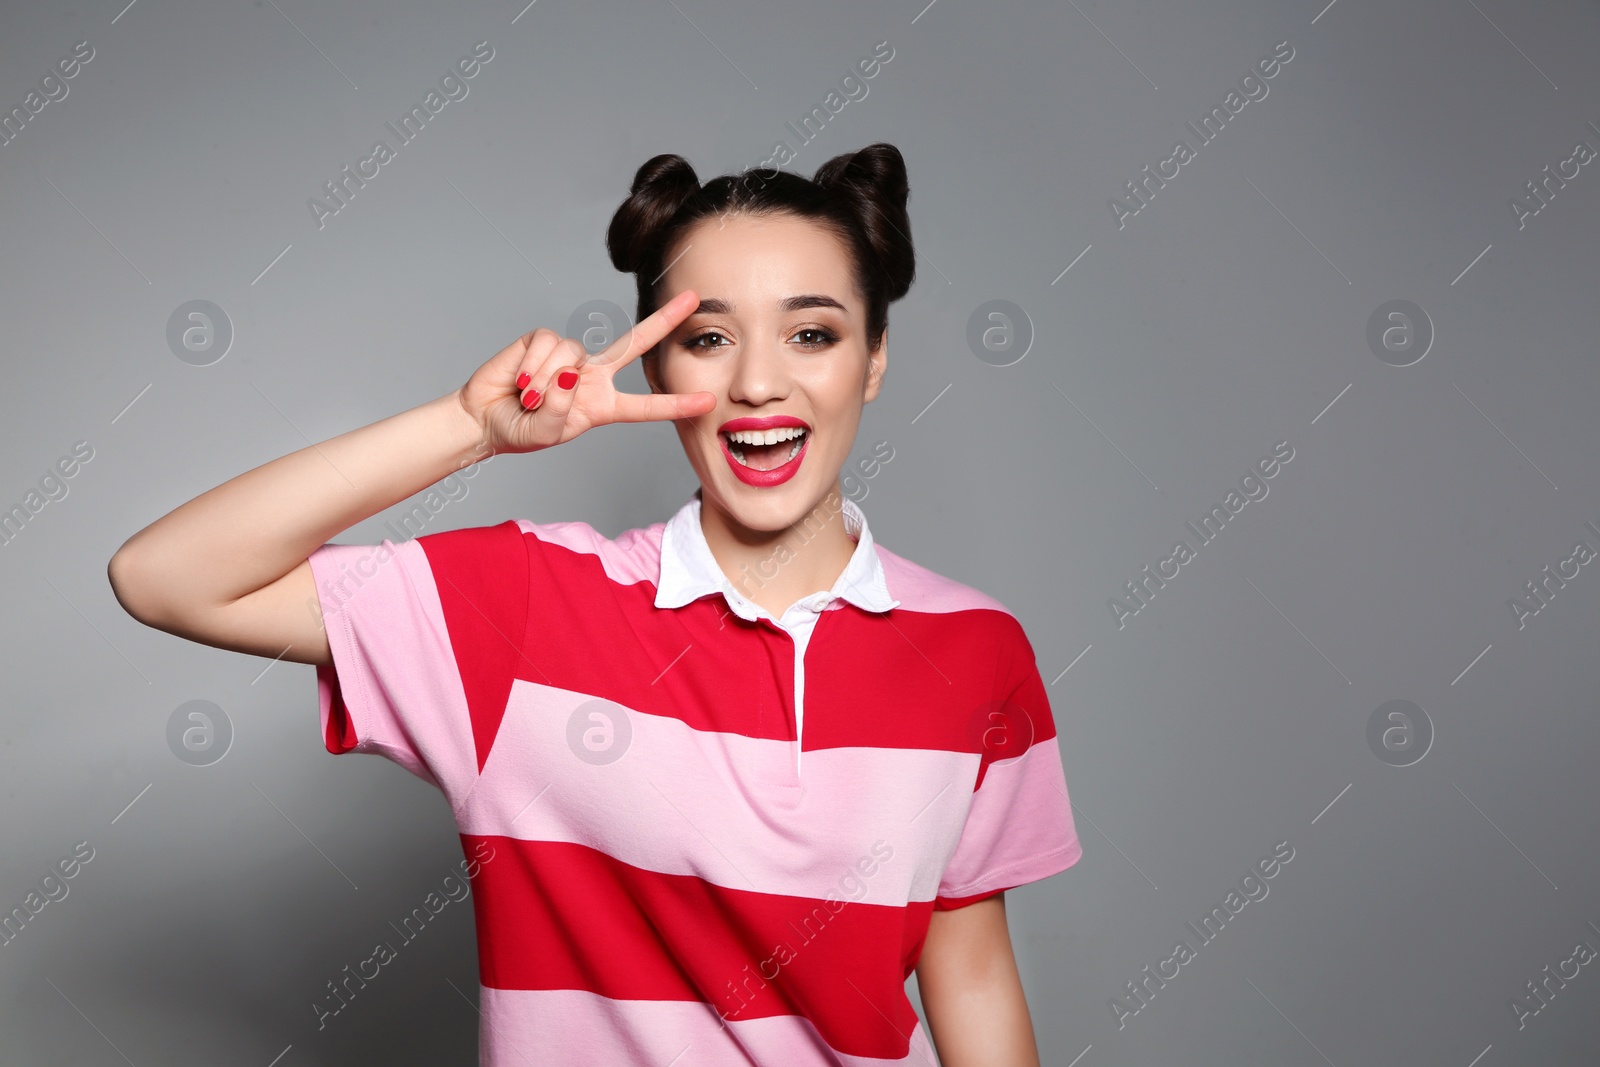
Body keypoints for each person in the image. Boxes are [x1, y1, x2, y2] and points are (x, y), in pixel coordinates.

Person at [108, 142, 1082, 1066]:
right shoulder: (525, 608)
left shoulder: (976, 649)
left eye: (812, 332)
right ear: (658, 370)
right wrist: (468, 427)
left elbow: (974, 974)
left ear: (871, 359)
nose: (756, 381)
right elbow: (170, 574)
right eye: (708, 338)